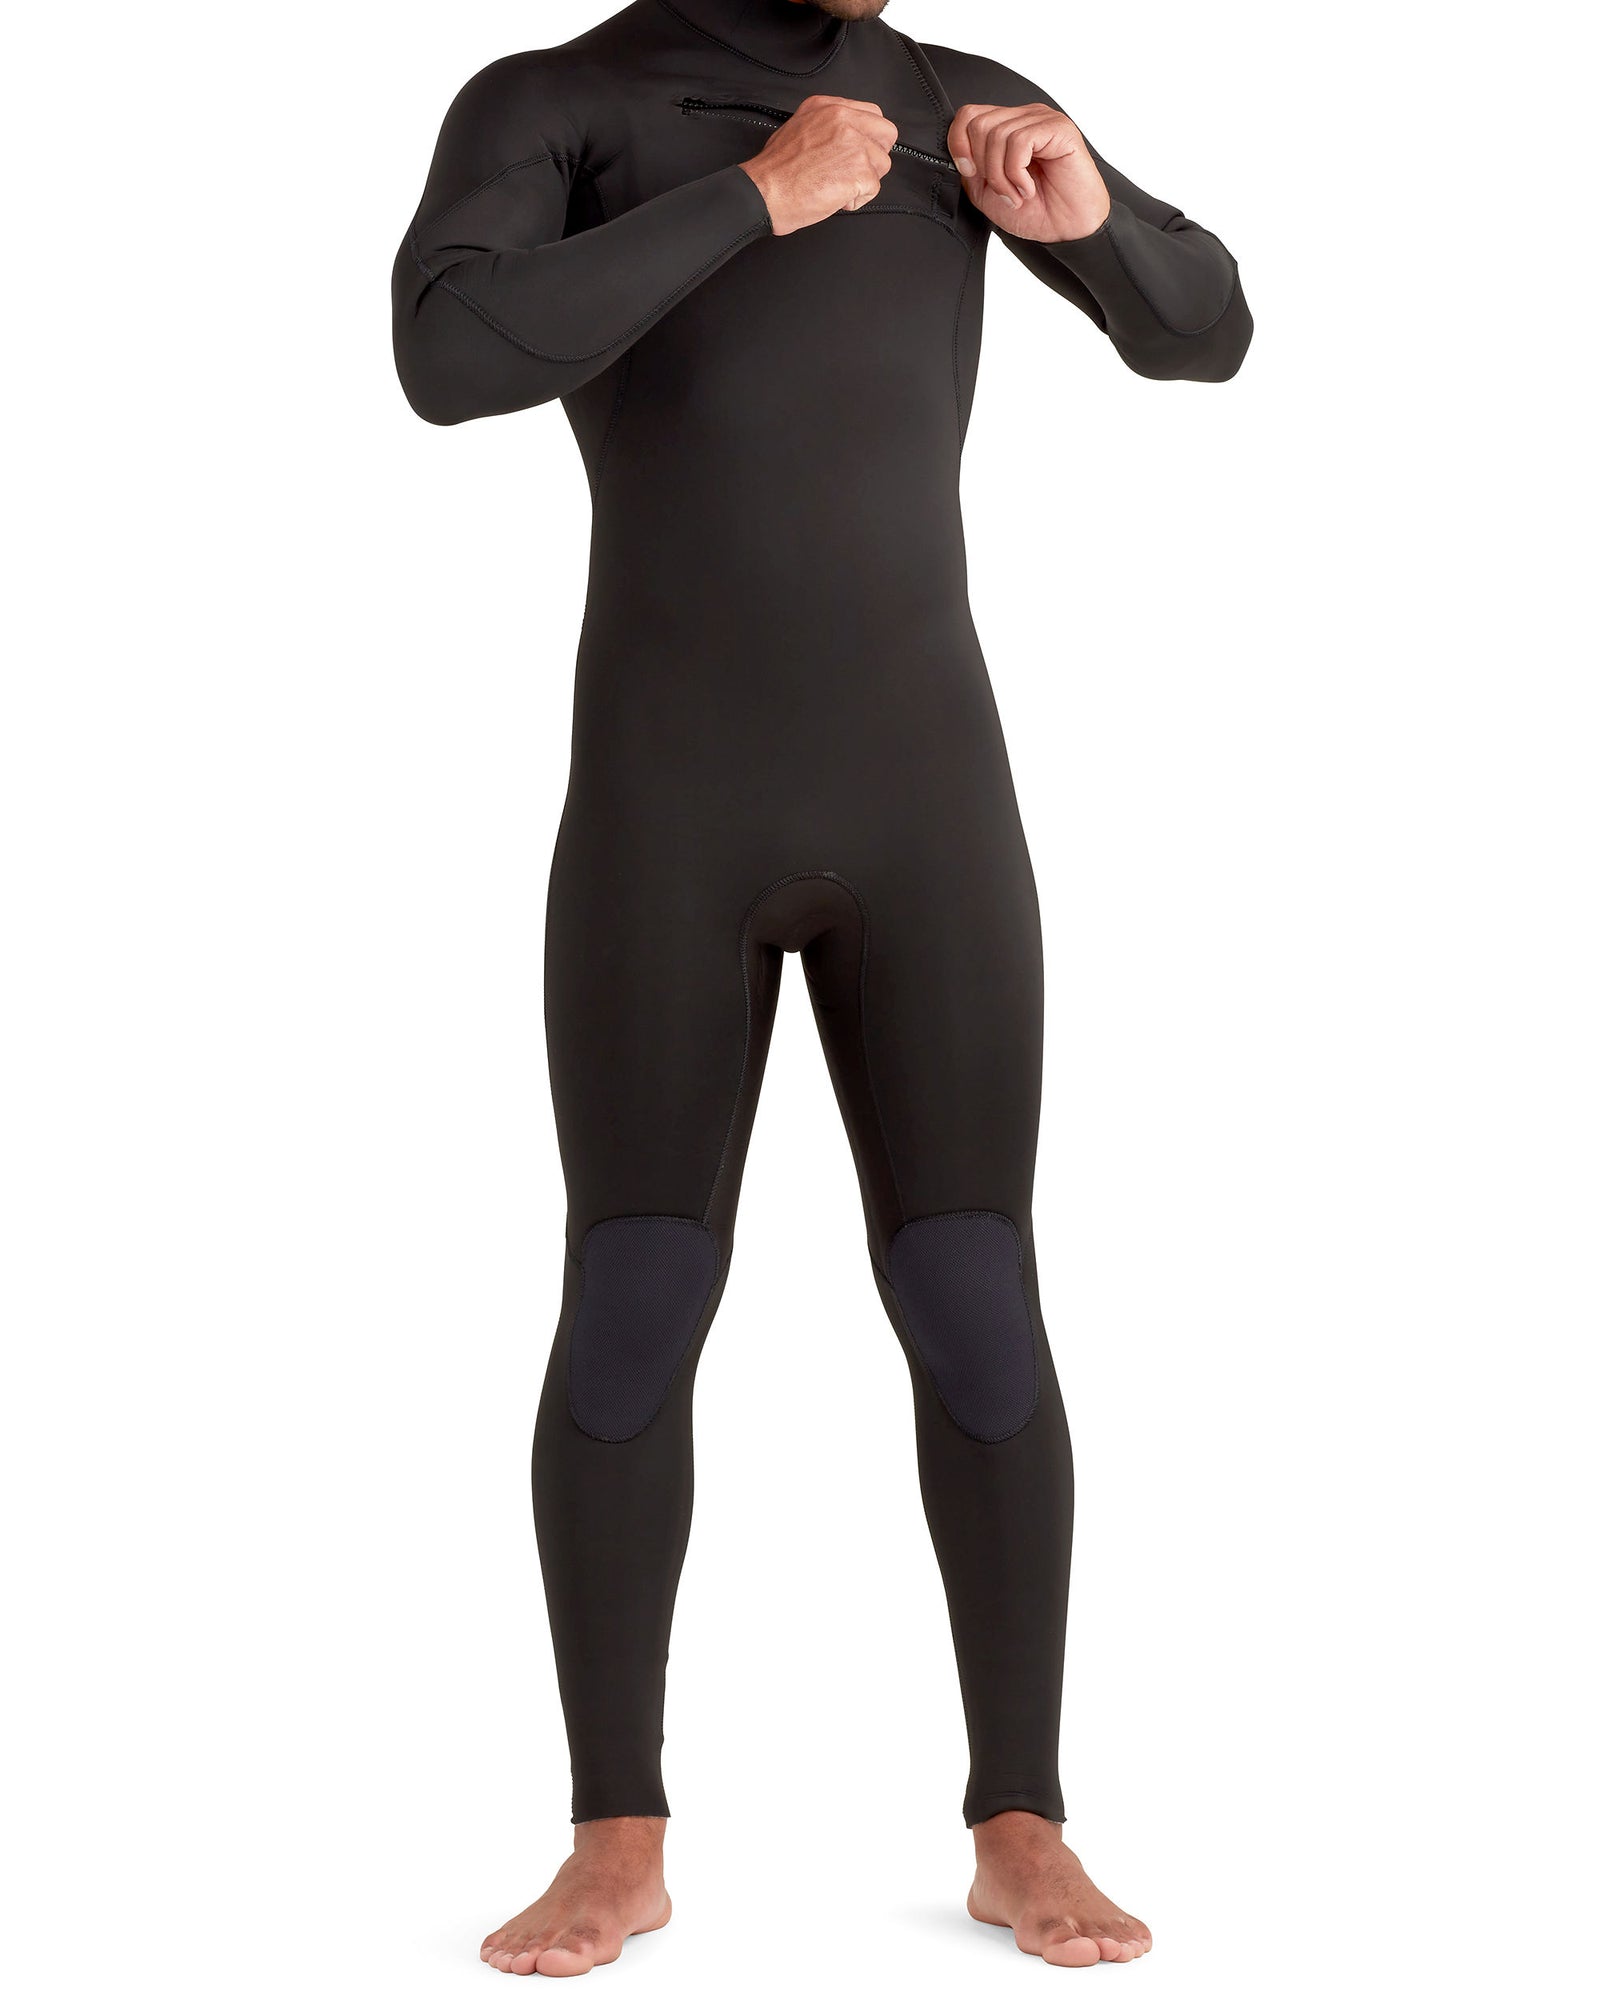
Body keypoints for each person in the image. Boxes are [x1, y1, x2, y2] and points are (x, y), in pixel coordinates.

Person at [393, 0, 1250, 1974]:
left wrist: (1095, 216)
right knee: (634, 1300)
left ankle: (1019, 1821)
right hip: (666, 810)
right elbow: (446, 357)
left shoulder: (958, 105)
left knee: (974, 1295)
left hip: (927, 803)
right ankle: (616, 1836)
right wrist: (750, 203)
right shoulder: (561, 103)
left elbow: (1205, 330)